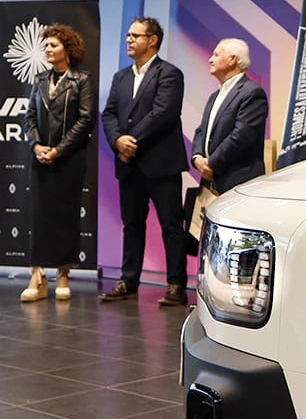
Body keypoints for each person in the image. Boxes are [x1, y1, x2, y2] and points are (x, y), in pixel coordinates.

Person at [100, 16, 189, 307]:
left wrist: (131, 142)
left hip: (160, 163)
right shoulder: (121, 77)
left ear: (152, 40)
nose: (128, 39)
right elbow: (109, 114)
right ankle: (128, 281)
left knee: (171, 226)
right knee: (132, 225)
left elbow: (162, 114)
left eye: (135, 35)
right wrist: (117, 141)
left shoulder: (169, 74)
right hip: (129, 165)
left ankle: (176, 285)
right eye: (128, 35)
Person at [20, 23, 96, 303]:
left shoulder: (82, 80)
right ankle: (36, 276)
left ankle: (63, 274)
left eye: (53, 45)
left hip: (69, 160)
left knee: (66, 216)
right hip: (40, 159)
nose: (48, 50)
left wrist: (59, 150)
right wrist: (36, 145)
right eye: (47, 45)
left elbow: (86, 119)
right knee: (38, 216)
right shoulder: (39, 79)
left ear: (68, 49)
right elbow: (29, 117)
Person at [191, 39, 268, 193]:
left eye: (216, 55)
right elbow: (201, 131)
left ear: (232, 60)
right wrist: (197, 158)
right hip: (212, 181)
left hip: (239, 182)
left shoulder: (252, 93)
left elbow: (241, 136)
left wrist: (211, 164)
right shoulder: (215, 96)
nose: (210, 59)